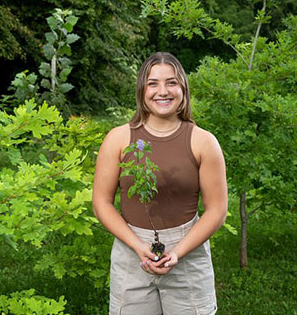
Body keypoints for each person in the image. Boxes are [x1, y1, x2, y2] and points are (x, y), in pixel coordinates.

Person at [92, 52, 228, 315]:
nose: (162, 91)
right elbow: (101, 203)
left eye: (172, 82)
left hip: (188, 252)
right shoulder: (118, 139)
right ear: (142, 89)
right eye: (153, 83)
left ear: (183, 89)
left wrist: (178, 252)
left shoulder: (203, 142)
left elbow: (217, 211)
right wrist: (137, 245)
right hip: (132, 252)